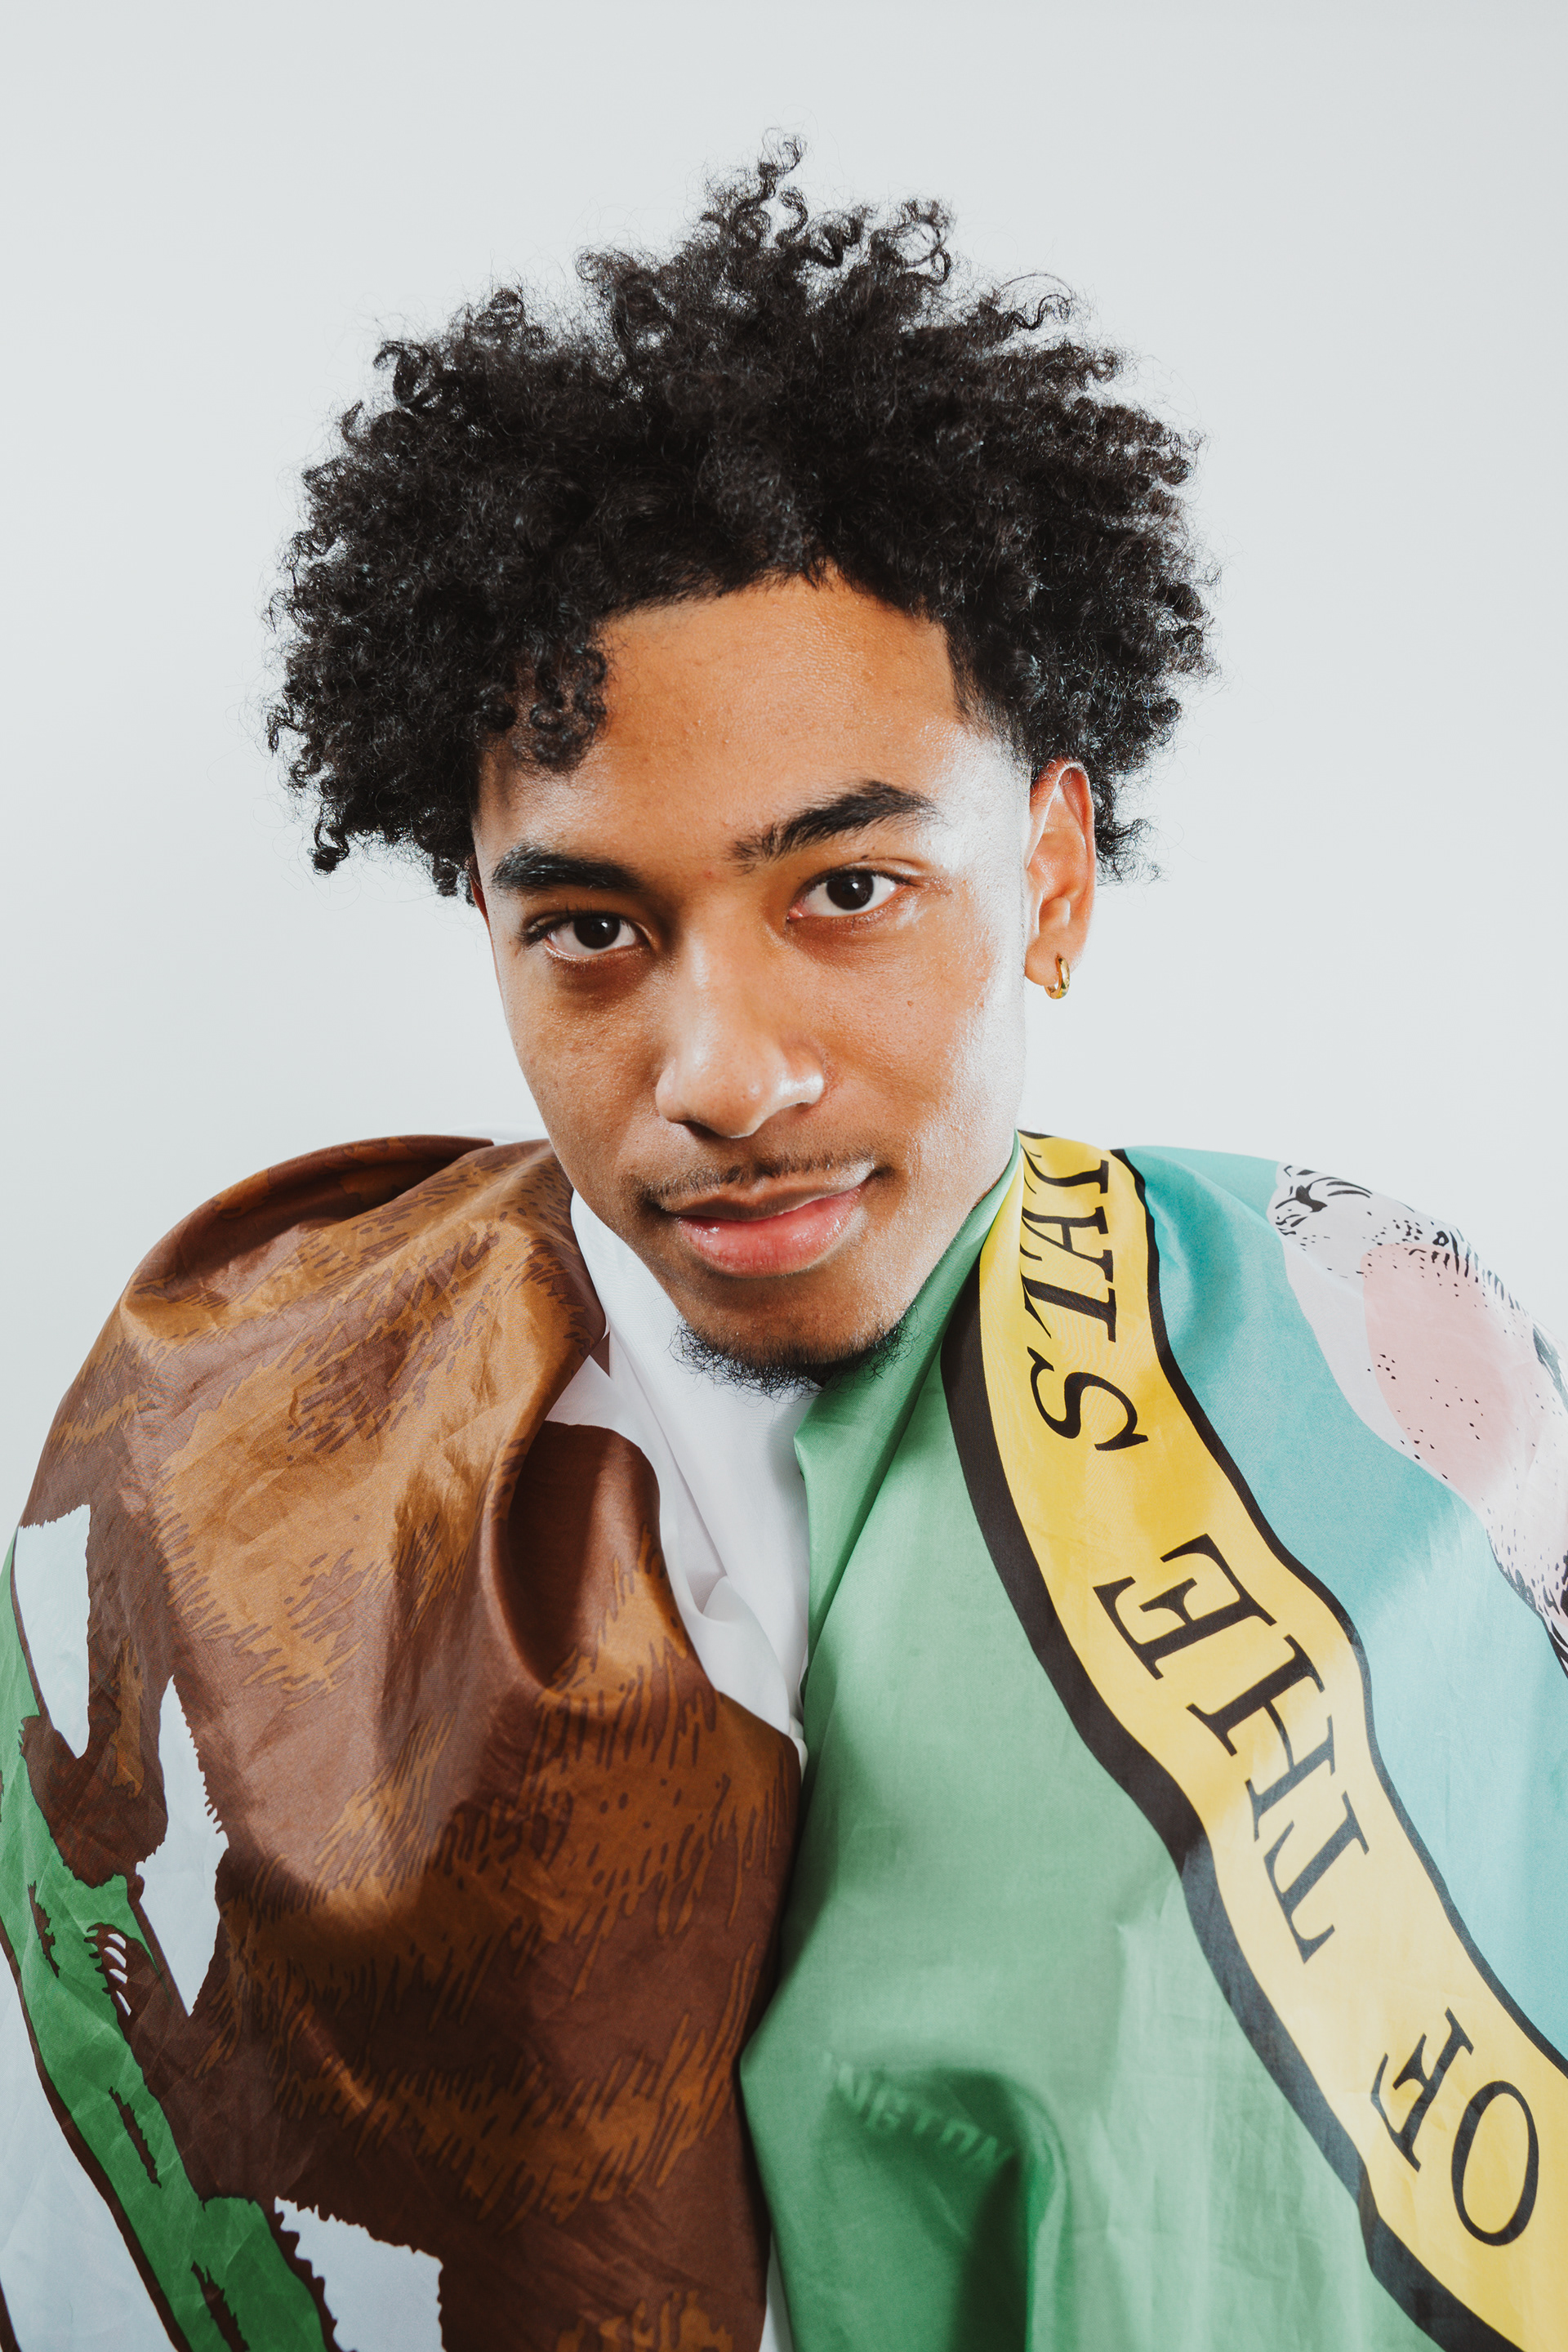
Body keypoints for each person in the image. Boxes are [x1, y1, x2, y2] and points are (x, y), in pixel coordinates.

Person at [3, 147, 1564, 2352]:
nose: (723, 1075)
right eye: (590, 928)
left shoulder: (1376, 1365)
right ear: (483, 920)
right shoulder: (239, 1425)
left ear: (1052, 874)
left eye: (847, 890)